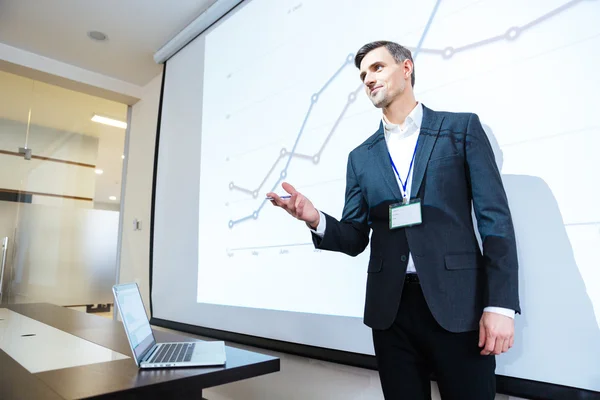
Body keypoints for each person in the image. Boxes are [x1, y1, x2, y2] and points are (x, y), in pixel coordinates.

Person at [267, 40, 520, 400]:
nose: (368, 78)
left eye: (377, 67)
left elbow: (496, 222)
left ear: (406, 68)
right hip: (391, 314)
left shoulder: (460, 129)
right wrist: (316, 219)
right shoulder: (360, 157)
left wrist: (500, 305)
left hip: (459, 306)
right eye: (363, 74)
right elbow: (355, 238)